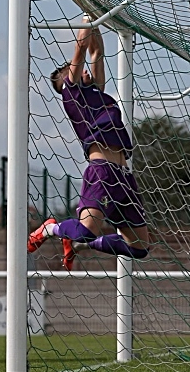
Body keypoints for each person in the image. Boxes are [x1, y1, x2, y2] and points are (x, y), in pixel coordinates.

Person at [27, 19, 150, 270]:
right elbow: (81, 49)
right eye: (74, 70)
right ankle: (50, 228)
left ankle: (79, 245)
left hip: (124, 176)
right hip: (102, 171)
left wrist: (96, 22)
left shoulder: (98, 93)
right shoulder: (72, 95)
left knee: (140, 247)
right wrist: (87, 18)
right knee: (85, 230)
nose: (84, 70)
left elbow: (96, 51)